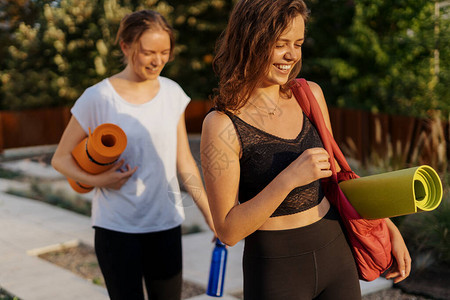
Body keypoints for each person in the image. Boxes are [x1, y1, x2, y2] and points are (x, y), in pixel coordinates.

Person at [200, 1, 411, 299]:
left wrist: (387, 225)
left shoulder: (309, 95)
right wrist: (289, 179)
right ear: (250, 42)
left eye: (297, 43)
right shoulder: (221, 124)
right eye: (280, 44)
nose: (291, 55)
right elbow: (228, 231)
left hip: (335, 252)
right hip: (275, 270)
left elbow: (338, 176)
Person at [51, 10, 214, 300]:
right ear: (126, 47)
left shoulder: (172, 93)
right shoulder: (98, 97)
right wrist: (99, 179)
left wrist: (210, 215)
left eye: (165, 52)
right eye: (149, 52)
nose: (158, 60)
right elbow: (60, 159)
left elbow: (184, 160)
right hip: (116, 228)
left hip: (165, 224)